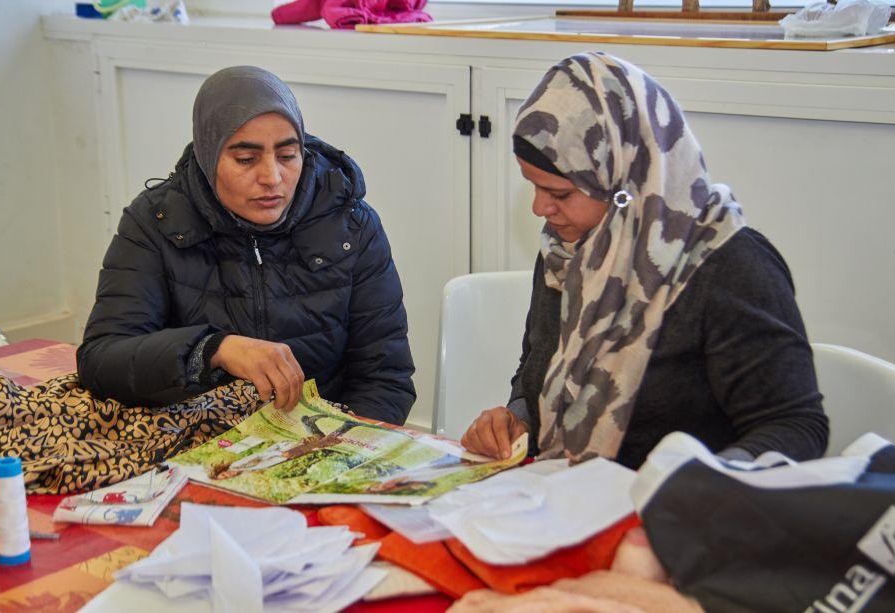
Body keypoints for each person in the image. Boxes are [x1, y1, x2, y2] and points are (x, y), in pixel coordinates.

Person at [461, 53, 828, 468]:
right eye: (533, 186)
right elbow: (537, 371)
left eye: (560, 194)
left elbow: (796, 426)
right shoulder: (568, 253)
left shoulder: (727, 267)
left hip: (682, 501)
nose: (539, 208)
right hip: (568, 490)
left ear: (623, 181)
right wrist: (516, 419)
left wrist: (700, 480)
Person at [77, 65, 415, 424]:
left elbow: (385, 379)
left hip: (323, 438)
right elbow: (102, 359)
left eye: (288, 156)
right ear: (209, 156)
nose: (272, 177)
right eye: (246, 160)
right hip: (195, 436)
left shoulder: (350, 224)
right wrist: (212, 349)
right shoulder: (156, 222)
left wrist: (339, 445)